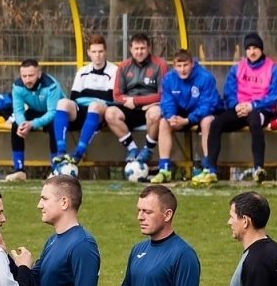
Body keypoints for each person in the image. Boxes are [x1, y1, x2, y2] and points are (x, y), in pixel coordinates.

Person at [199, 32, 277, 185]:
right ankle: (211, 170)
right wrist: (236, 105)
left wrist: (252, 105)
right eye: (249, 48)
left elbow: (276, 94)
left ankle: (258, 168)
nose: (252, 52)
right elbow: (229, 91)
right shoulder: (238, 68)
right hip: (240, 108)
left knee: (254, 121)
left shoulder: (273, 68)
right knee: (216, 123)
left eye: (255, 48)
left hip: (262, 110)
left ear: (261, 49)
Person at [2, 59, 76, 182]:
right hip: (36, 111)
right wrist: (22, 124)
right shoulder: (17, 86)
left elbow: (52, 112)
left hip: (57, 112)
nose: (27, 80)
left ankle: (56, 170)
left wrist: (33, 124)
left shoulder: (51, 85)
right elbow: (18, 110)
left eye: (31, 75)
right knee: (16, 126)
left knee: (54, 126)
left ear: (39, 74)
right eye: (24, 76)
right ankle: (19, 170)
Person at [155, 50, 220, 183]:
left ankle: (208, 169)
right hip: (180, 114)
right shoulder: (168, 79)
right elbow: (167, 102)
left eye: (185, 65)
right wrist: (171, 117)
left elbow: (207, 105)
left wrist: (187, 120)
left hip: (201, 113)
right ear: (174, 66)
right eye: (179, 66)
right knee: (163, 123)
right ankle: (165, 169)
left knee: (208, 122)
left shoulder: (205, 77)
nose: (182, 69)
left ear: (192, 64)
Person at [60, 35, 119, 174]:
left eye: (100, 52)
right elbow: (74, 97)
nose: (97, 55)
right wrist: (95, 95)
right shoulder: (83, 71)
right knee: (63, 104)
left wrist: (86, 93)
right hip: (82, 111)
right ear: (88, 53)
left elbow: (110, 96)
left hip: (102, 112)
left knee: (94, 106)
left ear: (105, 52)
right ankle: (60, 153)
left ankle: (78, 153)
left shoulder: (114, 70)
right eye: (94, 52)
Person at [106, 33, 166, 168]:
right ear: (131, 49)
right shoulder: (124, 66)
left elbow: (162, 94)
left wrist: (137, 101)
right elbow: (117, 94)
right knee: (110, 113)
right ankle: (132, 149)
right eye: (136, 48)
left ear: (148, 48)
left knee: (156, 112)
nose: (139, 52)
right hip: (130, 108)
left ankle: (148, 149)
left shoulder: (159, 65)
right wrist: (129, 101)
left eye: (143, 48)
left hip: (150, 107)